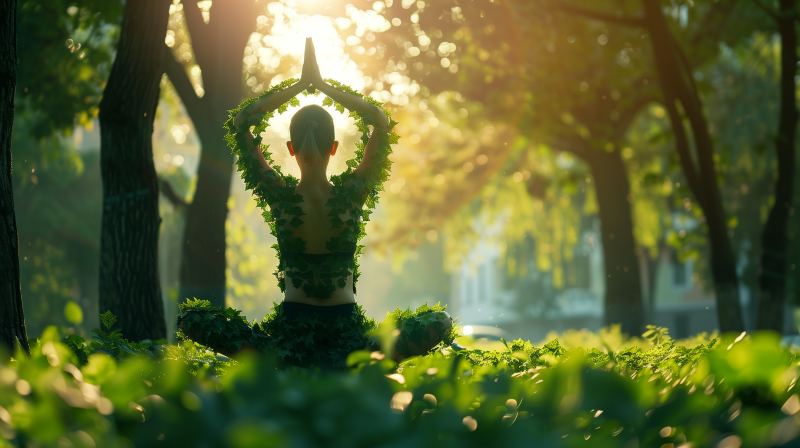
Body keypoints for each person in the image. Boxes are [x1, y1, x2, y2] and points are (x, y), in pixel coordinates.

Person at [178, 38, 454, 369]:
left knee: (192, 319)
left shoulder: (279, 197)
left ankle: (272, 363)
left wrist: (297, 87)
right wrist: (323, 87)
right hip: (350, 342)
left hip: (288, 343)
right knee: (440, 321)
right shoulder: (353, 194)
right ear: (334, 148)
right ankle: (369, 362)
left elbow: (241, 123)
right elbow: (379, 121)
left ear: (291, 148)